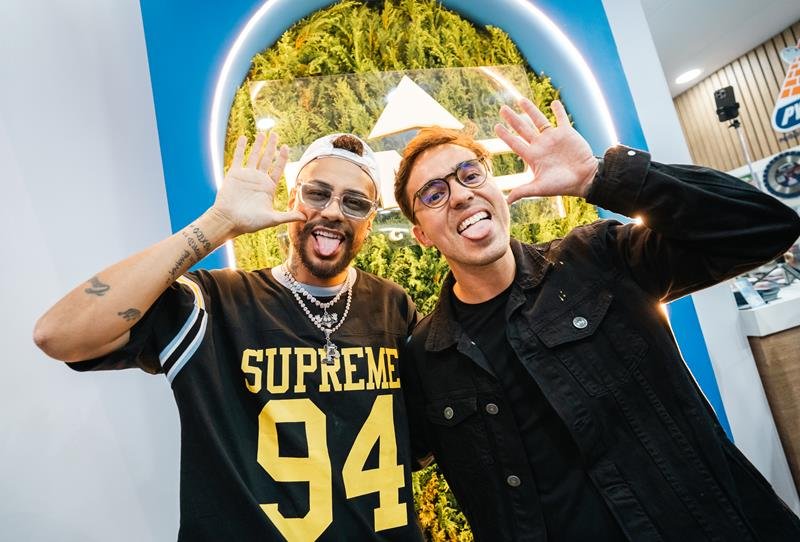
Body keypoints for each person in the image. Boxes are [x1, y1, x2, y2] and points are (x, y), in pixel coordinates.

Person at [393, 97, 800, 541]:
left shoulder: (597, 259)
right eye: (433, 194)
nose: (460, 195)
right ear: (422, 235)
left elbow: (764, 226)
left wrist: (597, 176)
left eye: (470, 174)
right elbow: (387, 457)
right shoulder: (425, 358)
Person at [34, 132, 423, 541]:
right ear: (293, 198)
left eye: (355, 202)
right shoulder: (217, 303)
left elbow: (426, 437)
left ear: (369, 220)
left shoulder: (393, 307)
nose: (331, 211)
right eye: (317, 193)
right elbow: (57, 334)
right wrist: (219, 222)